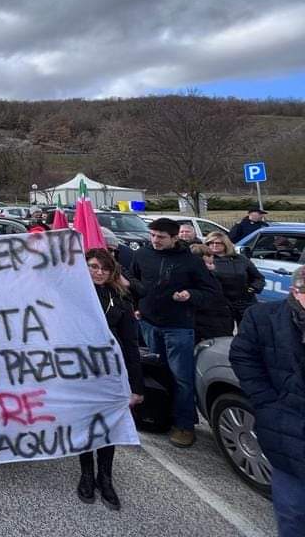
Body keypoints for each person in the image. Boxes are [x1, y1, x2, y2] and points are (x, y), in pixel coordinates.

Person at [129, 218, 222, 448]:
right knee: (156, 374)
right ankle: (159, 414)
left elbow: (211, 291)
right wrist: (136, 307)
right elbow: (133, 281)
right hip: (149, 324)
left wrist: (190, 295)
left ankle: (184, 424)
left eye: (160, 237)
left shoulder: (191, 261)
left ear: (174, 237)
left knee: (181, 377)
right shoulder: (142, 255)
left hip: (178, 327)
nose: (155, 240)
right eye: (152, 235)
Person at [229, 266, 305, 536]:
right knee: (294, 515)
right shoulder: (264, 317)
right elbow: (242, 357)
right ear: (296, 290)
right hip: (286, 436)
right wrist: (267, 404)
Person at [77, 249, 143, 510]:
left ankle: (105, 477)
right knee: (85, 422)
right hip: (80, 371)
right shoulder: (72, 297)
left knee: (108, 425)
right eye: (93, 266)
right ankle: (86, 473)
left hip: (112, 374)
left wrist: (136, 387)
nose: (98, 272)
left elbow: (130, 345)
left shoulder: (120, 300)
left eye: (104, 267)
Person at [203, 231, 265, 324]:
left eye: (218, 243)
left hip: (244, 301)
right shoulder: (204, 260)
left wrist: (252, 289)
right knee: (223, 334)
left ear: (225, 244)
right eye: (211, 243)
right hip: (221, 304)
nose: (214, 245)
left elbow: (258, 278)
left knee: (249, 331)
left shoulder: (241, 259)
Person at [188, 244, 234, 343]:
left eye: (211, 256)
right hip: (206, 323)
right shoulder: (194, 277)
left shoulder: (213, 274)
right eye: (207, 257)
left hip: (220, 319)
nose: (211, 259)